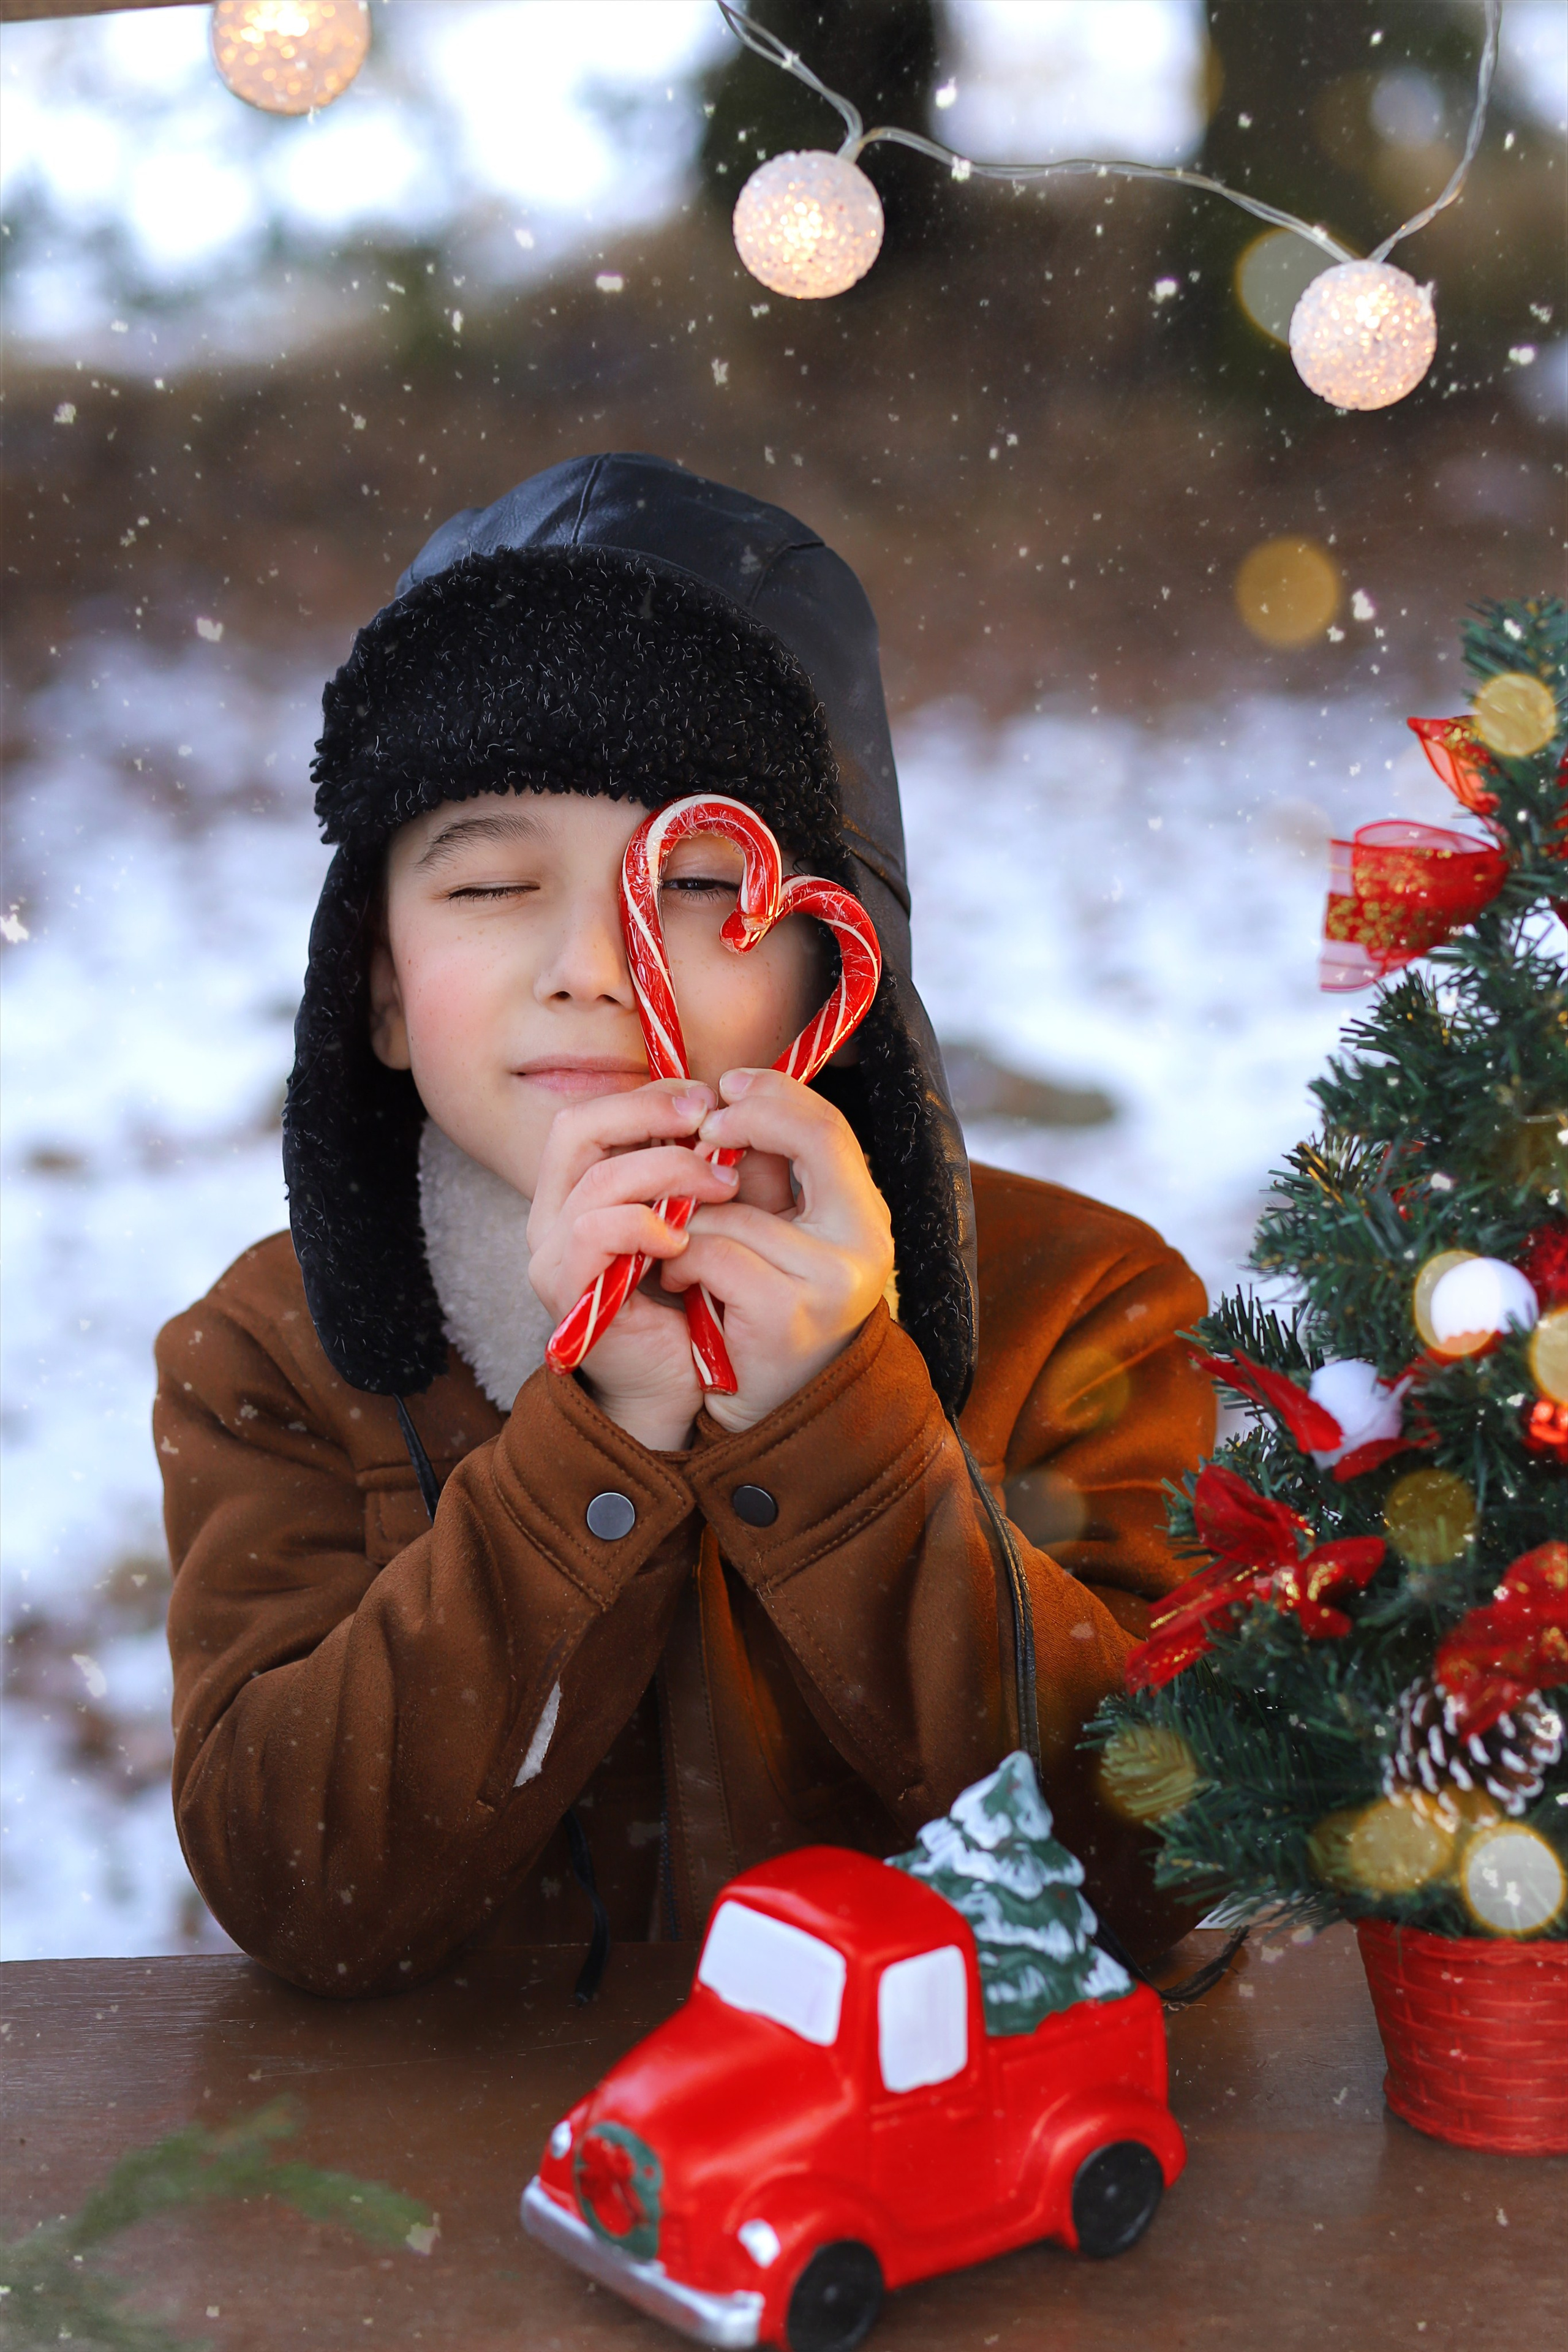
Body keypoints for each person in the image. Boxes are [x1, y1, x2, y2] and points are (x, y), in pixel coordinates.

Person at [156, 454, 1212, 1997]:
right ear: (379, 991)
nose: (593, 964)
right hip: (433, 2208)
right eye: (491, 884)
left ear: (834, 966)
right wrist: (592, 1448)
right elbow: (296, 1884)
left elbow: (1161, 1874)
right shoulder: (279, 1349)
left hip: (922, 2189)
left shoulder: (1081, 1309)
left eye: (701, 881)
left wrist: (832, 1426)